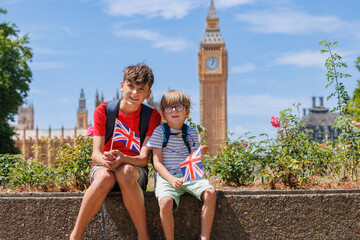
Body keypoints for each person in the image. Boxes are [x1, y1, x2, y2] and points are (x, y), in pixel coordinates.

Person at [70, 63, 162, 240]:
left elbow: (143, 159)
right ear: (122, 86)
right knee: (106, 176)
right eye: (131, 86)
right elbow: (95, 154)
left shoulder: (152, 116)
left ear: (148, 94)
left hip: (133, 174)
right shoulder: (104, 110)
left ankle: (143, 236)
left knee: (125, 171)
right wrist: (107, 160)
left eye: (141, 89)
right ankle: (76, 235)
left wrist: (123, 159)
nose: (134, 93)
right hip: (105, 170)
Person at [146, 90, 217, 240]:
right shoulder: (159, 132)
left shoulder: (191, 132)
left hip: (189, 175)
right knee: (165, 202)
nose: (174, 111)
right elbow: (157, 163)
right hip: (167, 177)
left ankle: (205, 237)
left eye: (179, 107)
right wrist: (171, 179)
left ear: (187, 112)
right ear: (163, 113)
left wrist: (199, 153)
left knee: (210, 193)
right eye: (169, 107)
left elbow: (193, 159)